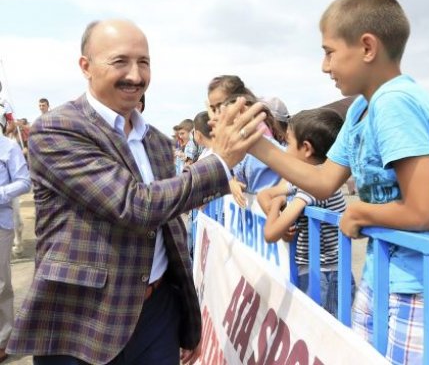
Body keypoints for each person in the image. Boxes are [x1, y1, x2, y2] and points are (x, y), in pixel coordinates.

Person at [6, 19, 266, 365]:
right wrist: (219, 162)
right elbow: (135, 206)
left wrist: (182, 319)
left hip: (157, 313)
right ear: (86, 66)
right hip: (83, 320)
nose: (135, 75)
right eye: (120, 61)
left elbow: (169, 227)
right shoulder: (58, 129)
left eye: (144, 62)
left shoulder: (155, 141)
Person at [250, 0, 429, 364]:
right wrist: (256, 145)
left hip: (424, 285)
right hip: (384, 274)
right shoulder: (360, 111)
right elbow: (323, 179)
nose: (325, 66)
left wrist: (360, 212)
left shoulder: (395, 104)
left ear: (367, 47)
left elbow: (425, 210)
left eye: (329, 52)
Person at [257, 108, 347, 317]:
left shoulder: (312, 187)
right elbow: (263, 195)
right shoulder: (308, 179)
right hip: (318, 270)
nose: (285, 149)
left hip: (325, 276)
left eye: (288, 143)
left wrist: (278, 206)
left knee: (321, 330)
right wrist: (280, 215)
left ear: (306, 148)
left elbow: (270, 233)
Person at [207, 75, 282, 208]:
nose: (216, 115)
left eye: (221, 106)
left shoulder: (257, 133)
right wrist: (230, 181)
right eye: (213, 109)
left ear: (240, 104)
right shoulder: (234, 137)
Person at [0, 134, 31, 363]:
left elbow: (24, 181)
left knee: (0, 284)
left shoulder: (8, 147)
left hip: (0, 223)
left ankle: (3, 339)